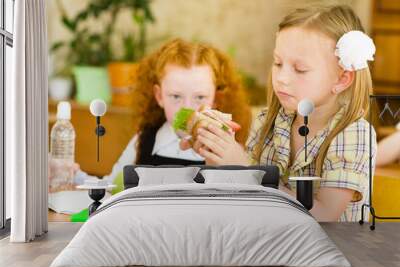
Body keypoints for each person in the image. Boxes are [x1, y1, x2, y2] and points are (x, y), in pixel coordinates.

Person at [184, 5, 377, 222]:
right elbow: (244, 198)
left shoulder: (354, 133)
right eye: (278, 63)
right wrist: (218, 156)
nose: (282, 77)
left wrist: (248, 171)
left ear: (341, 79)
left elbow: (324, 216)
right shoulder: (268, 121)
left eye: (300, 69)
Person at [71, 38, 252, 187]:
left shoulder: (229, 147)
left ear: (215, 100)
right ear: (159, 96)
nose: (188, 109)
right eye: (175, 96)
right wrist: (75, 176)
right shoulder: (144, 139)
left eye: (200, 98)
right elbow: (112, 186)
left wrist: (237, 166)